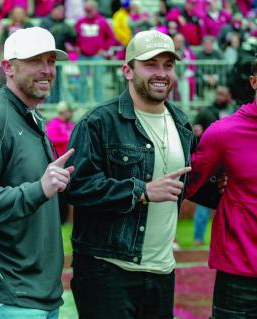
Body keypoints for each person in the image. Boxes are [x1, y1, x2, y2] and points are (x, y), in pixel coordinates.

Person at [65, 29, 194, 318]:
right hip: (108, 270)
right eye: (150, 64)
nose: (161, 73)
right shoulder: (98, 121)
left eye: (168, 65)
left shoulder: (182, 122)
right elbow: (78, 187)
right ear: (127, 70)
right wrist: (142, 191)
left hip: (162, 270)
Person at [0, 27, 74, 318]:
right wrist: (39, 189)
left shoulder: (29, 115)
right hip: (9, 296)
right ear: (8, 67)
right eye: (35, 61)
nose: (46, 70)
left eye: (51, 61)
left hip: (37, 294)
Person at [186, 58, 257, 318]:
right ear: (253, 81)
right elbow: (188, 184)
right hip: (239, 278)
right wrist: (220, 193)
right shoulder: (223, 133)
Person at [191, 85, 234, 246]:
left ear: (229, 96)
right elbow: (194, 131)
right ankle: (198, 237)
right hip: (210, 165)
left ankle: (230, 239)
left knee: (231, 205)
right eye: (218, 94)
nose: (219, 96)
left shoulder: (235, 111)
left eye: (223, 94)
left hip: (230, 165)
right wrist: (197, 131)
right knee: (204, 206)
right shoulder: (205, 112)